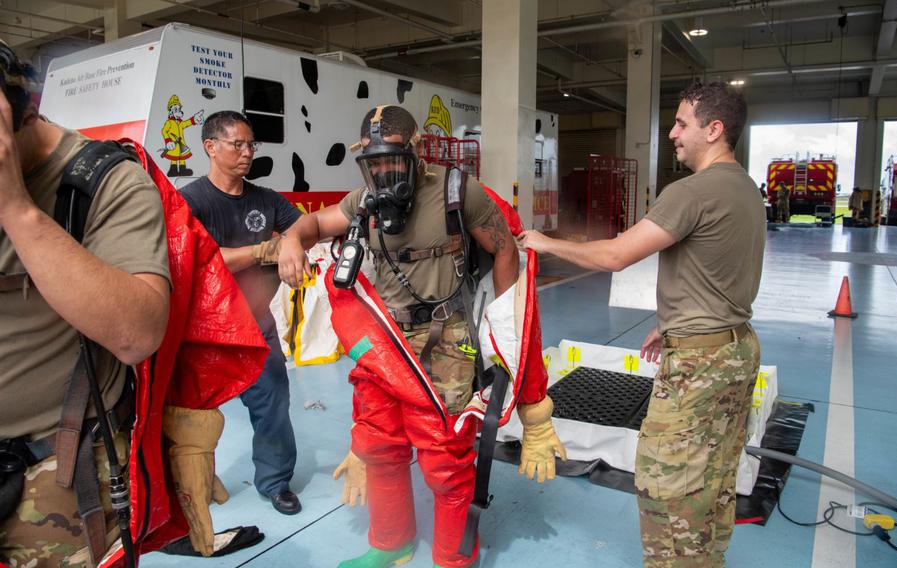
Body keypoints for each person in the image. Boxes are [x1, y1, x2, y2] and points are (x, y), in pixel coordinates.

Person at [278, 105, 565, 568]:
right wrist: (293, 239)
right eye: (374, 166)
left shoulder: (458, 192)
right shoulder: (362, 200)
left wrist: (504, 324)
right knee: (380, 444)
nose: (385, 175)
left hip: (447, 336)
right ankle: (391, 543)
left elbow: (503, 246)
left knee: (444, 454)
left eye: (393, 162)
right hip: (386, 339)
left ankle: (453, 557)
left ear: (417, 152)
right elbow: (312, 224)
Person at [518, 82, 765, 568]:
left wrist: (545, 244)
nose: (671, 133)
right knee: (714, 477)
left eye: (681, 123)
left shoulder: (692, 191)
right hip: (735, 348)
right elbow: (717, 270)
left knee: (664, 485)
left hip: (699, 366)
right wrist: (672, 325)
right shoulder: (744, 187)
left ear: (714, 130)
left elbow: (615, 255)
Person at [0, 41, 171, 565]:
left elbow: (138, 333)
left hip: (50, 477)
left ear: (23, 109)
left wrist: (17, 209)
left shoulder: (104, 181)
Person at [180, 111, 303, 515]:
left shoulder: (265, 200)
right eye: (238, 144)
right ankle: (189, 485)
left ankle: (274, 482)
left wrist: (291, 242)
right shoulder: (190, 202)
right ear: (210, 147)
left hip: (255, 327)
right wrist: (263, 250)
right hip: (204, 331)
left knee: (273, 404)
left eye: (252, 144)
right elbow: (202, 259)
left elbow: (306, 227)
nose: (247, 152)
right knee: (192, 418)